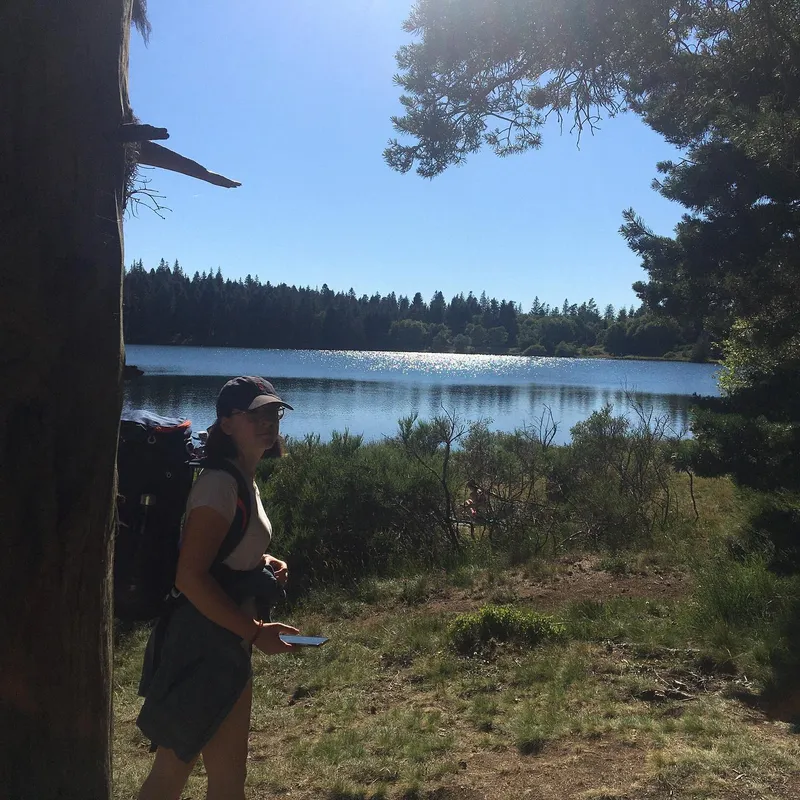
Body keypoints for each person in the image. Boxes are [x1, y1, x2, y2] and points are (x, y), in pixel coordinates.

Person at [136, 376, 300, 800]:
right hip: (200, 647)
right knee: (171, 773)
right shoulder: (218, 485)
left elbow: (222, 555)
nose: (268, 422)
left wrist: (262, 561)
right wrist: (254, 632)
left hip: (226, 646)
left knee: (230, 776)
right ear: (226, 424)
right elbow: (189, 577)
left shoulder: (243, 480)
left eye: (273, 413)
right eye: (255, 414)